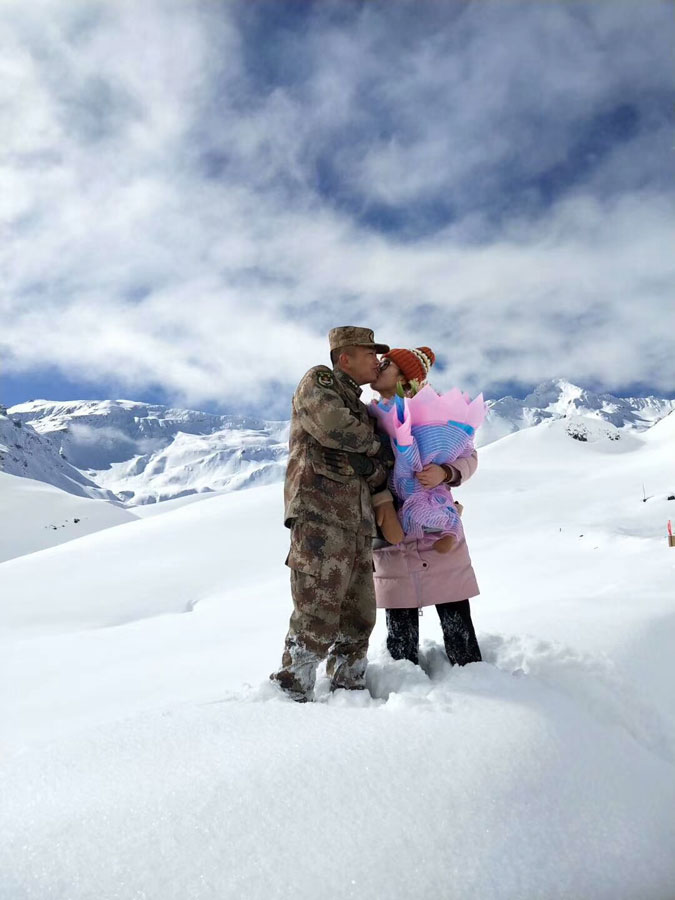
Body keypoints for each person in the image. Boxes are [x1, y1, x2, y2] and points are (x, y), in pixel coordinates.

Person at [270, 326, 393, 702]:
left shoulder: (361, 409)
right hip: (320, 516)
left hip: (358, 524)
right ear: (345, 358)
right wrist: (374, 446)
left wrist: (368, 461)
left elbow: (383, 467)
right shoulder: (319, 381)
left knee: (360, 616)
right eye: (370, 354)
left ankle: (349, 688)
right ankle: (291, 692)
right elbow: (333, 427)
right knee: (316, 610)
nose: (377, 361)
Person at [369, 347, 482, 667]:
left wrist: (446, 472)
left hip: (437, 528)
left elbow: (470, 456)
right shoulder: (369, 416)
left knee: (455, 616)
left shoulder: (436, 412)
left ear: (405, 378)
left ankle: (476, 682)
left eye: (387, 364)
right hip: (393, 529)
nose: (379, 366)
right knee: (400, 626)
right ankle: (404, 687)